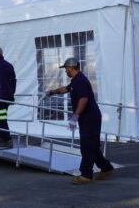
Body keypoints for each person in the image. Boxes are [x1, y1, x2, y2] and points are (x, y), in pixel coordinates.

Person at [44, 57, 115, 185]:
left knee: (87, 146)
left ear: (71, 68)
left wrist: (75, 116)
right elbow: (66, 89)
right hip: (88, 117)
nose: (65, 70)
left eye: (66, 68)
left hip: (89, 117)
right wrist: (52, 92)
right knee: (92, 145)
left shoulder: (80, 81)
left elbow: (83, 99)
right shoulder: (76, 80)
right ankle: (106, 168)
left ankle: (86, 175)